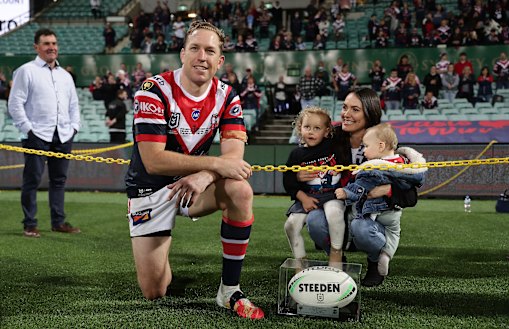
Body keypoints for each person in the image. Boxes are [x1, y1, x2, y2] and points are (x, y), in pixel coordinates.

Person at [124, 21, 264, 320]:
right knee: (154, 290)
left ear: (220, 60)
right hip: (150, 189)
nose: (202, 56)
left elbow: (234, 156)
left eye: (210, 51)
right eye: (195, 48)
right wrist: (213, 164)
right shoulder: (152, 90)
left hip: (194, 188)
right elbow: (154, 160)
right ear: (182, 53)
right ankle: (156, 245)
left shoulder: (228, 95)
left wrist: (205, 176)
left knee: (239, 189)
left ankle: (229, 289)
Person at [299, 88, 418, 287]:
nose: (346, 114)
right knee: (314, 221)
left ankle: (374, 262)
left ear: (369, 113)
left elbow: (411, 196)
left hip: (367, 216)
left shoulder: (384, 143)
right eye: (345, 107)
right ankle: (337, 259)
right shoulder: (332, 138)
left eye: (355, 109)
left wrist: (386, 190)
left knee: (361, 228)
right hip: (338, 208)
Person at [8, 28, 81, 238]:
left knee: (59, 181)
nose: (52, 47)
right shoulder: (26, 71)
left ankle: (58, 222)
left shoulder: (66, 76)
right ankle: (29, 224)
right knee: (32, 180)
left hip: (64, 135)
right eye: (47, 43)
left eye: (54, 43)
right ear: (36, 47)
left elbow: (74, 105)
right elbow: (15, 104)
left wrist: (74, 127)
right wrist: (28, 130)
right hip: (37, 135)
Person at [334, 123, 426, 277]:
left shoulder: (373, 167)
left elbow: (360, 187)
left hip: (374, 210)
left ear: (381, 146)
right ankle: (386, 254)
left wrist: (346, 192)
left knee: (355, 221)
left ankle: (367, 251)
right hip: (394, 213)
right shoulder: (405, 163)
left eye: (366, 146)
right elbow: (415, 182)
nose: (363, 150)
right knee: (394, 233)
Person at [283, 107, 347, 267]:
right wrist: (302, 198)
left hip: (332, 194)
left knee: (334, 214)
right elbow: (288, 180)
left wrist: (340, 167)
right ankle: (300, 261)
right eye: (307, 127)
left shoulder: (333, 146)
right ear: (300, 129)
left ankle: (336, 253)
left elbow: (346, 162)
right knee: (290, 225)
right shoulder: (296, 154)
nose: (311, 132)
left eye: (317, 128)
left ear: (326, 132)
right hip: (308, 195)